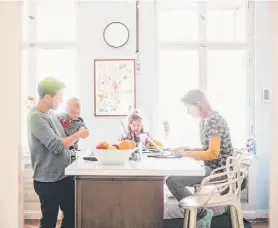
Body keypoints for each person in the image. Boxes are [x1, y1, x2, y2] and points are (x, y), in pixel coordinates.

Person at [27, 78, 89, 228]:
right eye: (59, 97)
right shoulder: (35, 117)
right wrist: (79, 135)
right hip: (48, 180)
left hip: (63, 176)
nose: (61, 100)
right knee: (49, 221)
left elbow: (64, 138)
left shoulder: (52, 114)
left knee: (72, 217)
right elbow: (56, 145)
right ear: (47, 97)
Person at [166, 89, 234, 227]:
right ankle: (199, 215)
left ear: (198, 104)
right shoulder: (204, 121)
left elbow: (213, 153)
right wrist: (190, 150)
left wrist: (186, 154)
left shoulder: (214, 120)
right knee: (173, 179)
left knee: (172, 181)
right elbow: (207, 148)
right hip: (211, 167)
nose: (187, 111)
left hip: (218, 170)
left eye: (188, 108)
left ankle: (202, 213)